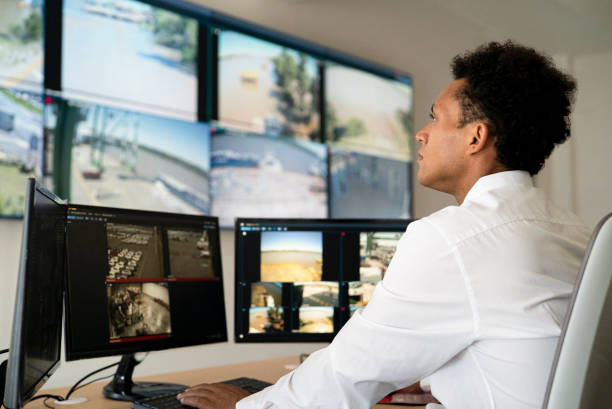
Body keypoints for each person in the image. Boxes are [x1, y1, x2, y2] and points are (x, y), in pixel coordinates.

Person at [177, 41, 592, 409]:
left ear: (475, 137)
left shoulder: (453, 238)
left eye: (435, 118)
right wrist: (433, 377)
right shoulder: (574, 232)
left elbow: (345, 376)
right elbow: (521, 349)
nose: (421, 134)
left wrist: (247, 405)